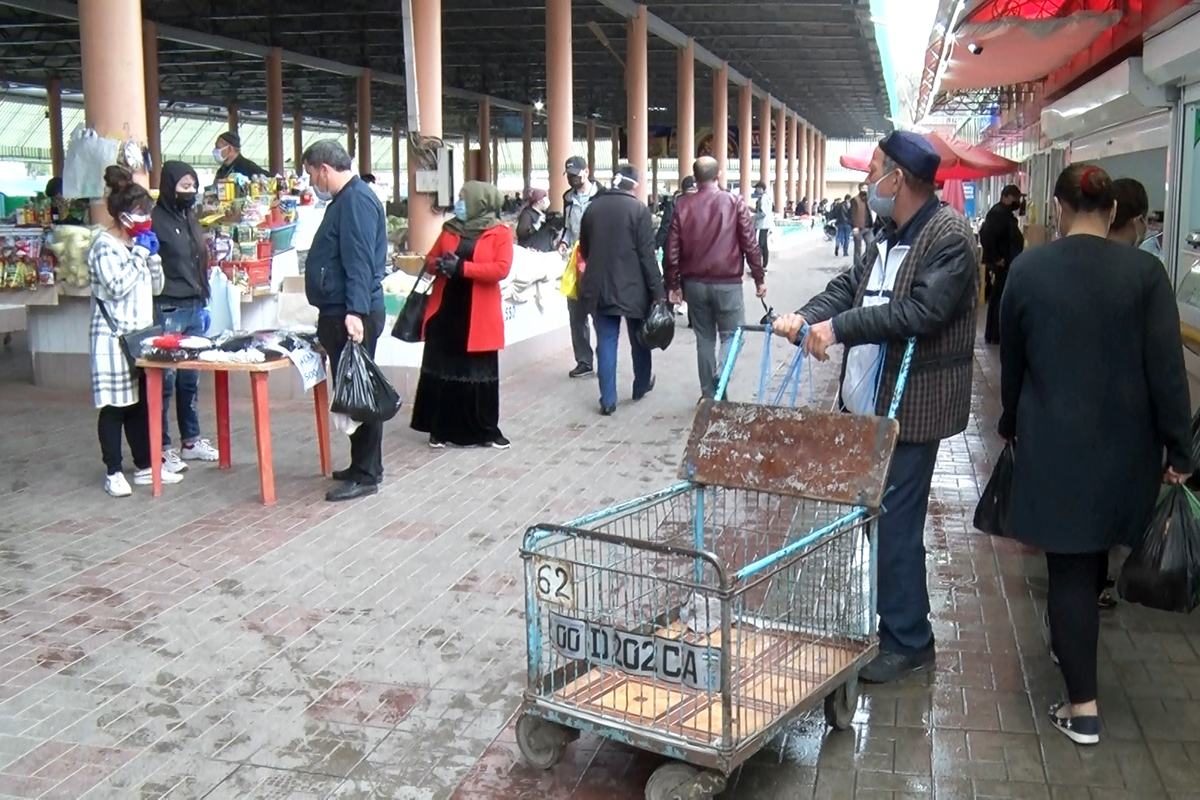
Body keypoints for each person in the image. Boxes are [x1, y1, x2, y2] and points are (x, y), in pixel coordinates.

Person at [773, 131, 978, 683]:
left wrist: (835, 329)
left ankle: (908, 639)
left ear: (900, 180)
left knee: (894, 524)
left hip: (912, 412)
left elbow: (920, 312)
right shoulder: (887, 234)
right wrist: (805, 318)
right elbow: (848, 287)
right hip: (869, 406)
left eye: (876, 171)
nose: (869, 182)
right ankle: (902, 623)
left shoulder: (950, 237)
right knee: (878, 521)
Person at [998, 164, 1192, 745]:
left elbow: (1014, 363)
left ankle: (1082, 708)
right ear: (1111, 213)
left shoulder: (1028, 269)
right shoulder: (1146, 273)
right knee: (1094, 556)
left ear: (1057, 209)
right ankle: (1075, 651)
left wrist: (1010, 422)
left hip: (1055, 445)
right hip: (1128, 449)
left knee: (1070, 569)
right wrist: (1180, 448)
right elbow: (1167, 369)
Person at [88, 166, 184, 497]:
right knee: (116, 406)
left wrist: (153, 258)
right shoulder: (104, 245)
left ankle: (145, 466)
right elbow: (115, 287)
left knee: (142, 404)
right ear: (122, 215)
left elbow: (156, 288)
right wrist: (139, 254)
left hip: (140, 338)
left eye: (147, 214)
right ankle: (113, 470)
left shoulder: (139, 246)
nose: (145, 220)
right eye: (139, 214)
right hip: (112, 338)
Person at [302, 140, 388, 503]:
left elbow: (359, 261)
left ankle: (367, 473)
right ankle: (363, 465)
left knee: (360, 391)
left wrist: (354, 312)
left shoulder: (355, 200)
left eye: (311, 176)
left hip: (354, 313)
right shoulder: (350, 199)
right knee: (354, 389)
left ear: (324, 168)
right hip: (346, 310)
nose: (312, 184)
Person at [411, 181, 513, 447]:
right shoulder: (449, 228)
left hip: (478, 313)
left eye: (464, 198)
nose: (459, 203)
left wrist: (463, 268)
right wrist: (440, 265)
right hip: (447, 309)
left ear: (480, 202)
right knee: (444, 368)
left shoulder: (500, 233)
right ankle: (440, 429)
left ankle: (483, 430)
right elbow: (430, 259)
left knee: (477, 371)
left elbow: (501, 269)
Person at [665, 156, 766, 398]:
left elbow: (672, 249)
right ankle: (722, 372)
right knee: (734, 335)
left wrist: (673, 284)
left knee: (705, 339)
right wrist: (759, 277)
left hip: (694, 284)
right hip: (727, 283)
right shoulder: (734, 202)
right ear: (718, 174)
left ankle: (710, 395)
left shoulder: (683, 205)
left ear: (696, 177)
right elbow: (750, 244)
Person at [578, 164, 666, 416]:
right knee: (641, 338)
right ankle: (640, 386)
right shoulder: (639, 210)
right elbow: (647, 256)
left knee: (606, 342)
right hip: (633, 288)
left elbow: (584, 248)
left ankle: (608, 399)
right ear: (635, 185)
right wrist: (657, 291)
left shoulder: (593, 208)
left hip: (599, 286)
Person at [152, 161, 219, 473]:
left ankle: (190, 440)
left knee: (190, 379)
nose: (190, 192)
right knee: (165, 379)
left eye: (193, 186)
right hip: (168, 307)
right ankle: (161, 446)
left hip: (195, 305)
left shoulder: (190, 217)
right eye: (184, 186)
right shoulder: (155, 221)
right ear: (169, 186)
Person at [560, 156, 602, 379]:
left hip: (597, 261)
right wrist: (564, 241)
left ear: (587, 171)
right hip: (576, 262)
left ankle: (604, 359)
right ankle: (584, 361)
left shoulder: (601, 196)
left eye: (575, 175)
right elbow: (567, 227)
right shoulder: (568, 198)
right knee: (575, 314)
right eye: (569, 176)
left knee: (599, 314)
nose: (572, 179)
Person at [979, 184, 1024, 345]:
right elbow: (987, 236)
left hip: (1005, 261)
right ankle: (995, 334)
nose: (1018, 202)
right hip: (1002, 263)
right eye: (1015, 198)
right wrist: (997, 257)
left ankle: (994, 334)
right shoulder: (999, 215)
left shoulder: (1003, 213)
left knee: (998, 297)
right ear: (1005, 197)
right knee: (999, 298)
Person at [849, 183, 874, 265]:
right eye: (863, 188)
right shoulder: (855, 200)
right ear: (859, 189)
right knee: (858, 248)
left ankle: (867, 264)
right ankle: (856, 266)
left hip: (868, 226)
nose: (865, 190)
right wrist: (854, 226)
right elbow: (852, 214)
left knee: (870, 245)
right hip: (858, 227)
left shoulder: (869, 199)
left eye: (866, 188)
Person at [752, 182, 774, 271]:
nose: (755, 190)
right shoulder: (766, 198)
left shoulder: (763, 199)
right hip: (765, 225)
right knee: (764, 246)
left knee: (761, 246)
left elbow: (762, 213)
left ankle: (760, 266)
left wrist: (753, 217)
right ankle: (763, 265)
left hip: (762, 225)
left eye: (757, 188)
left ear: (761, 188)